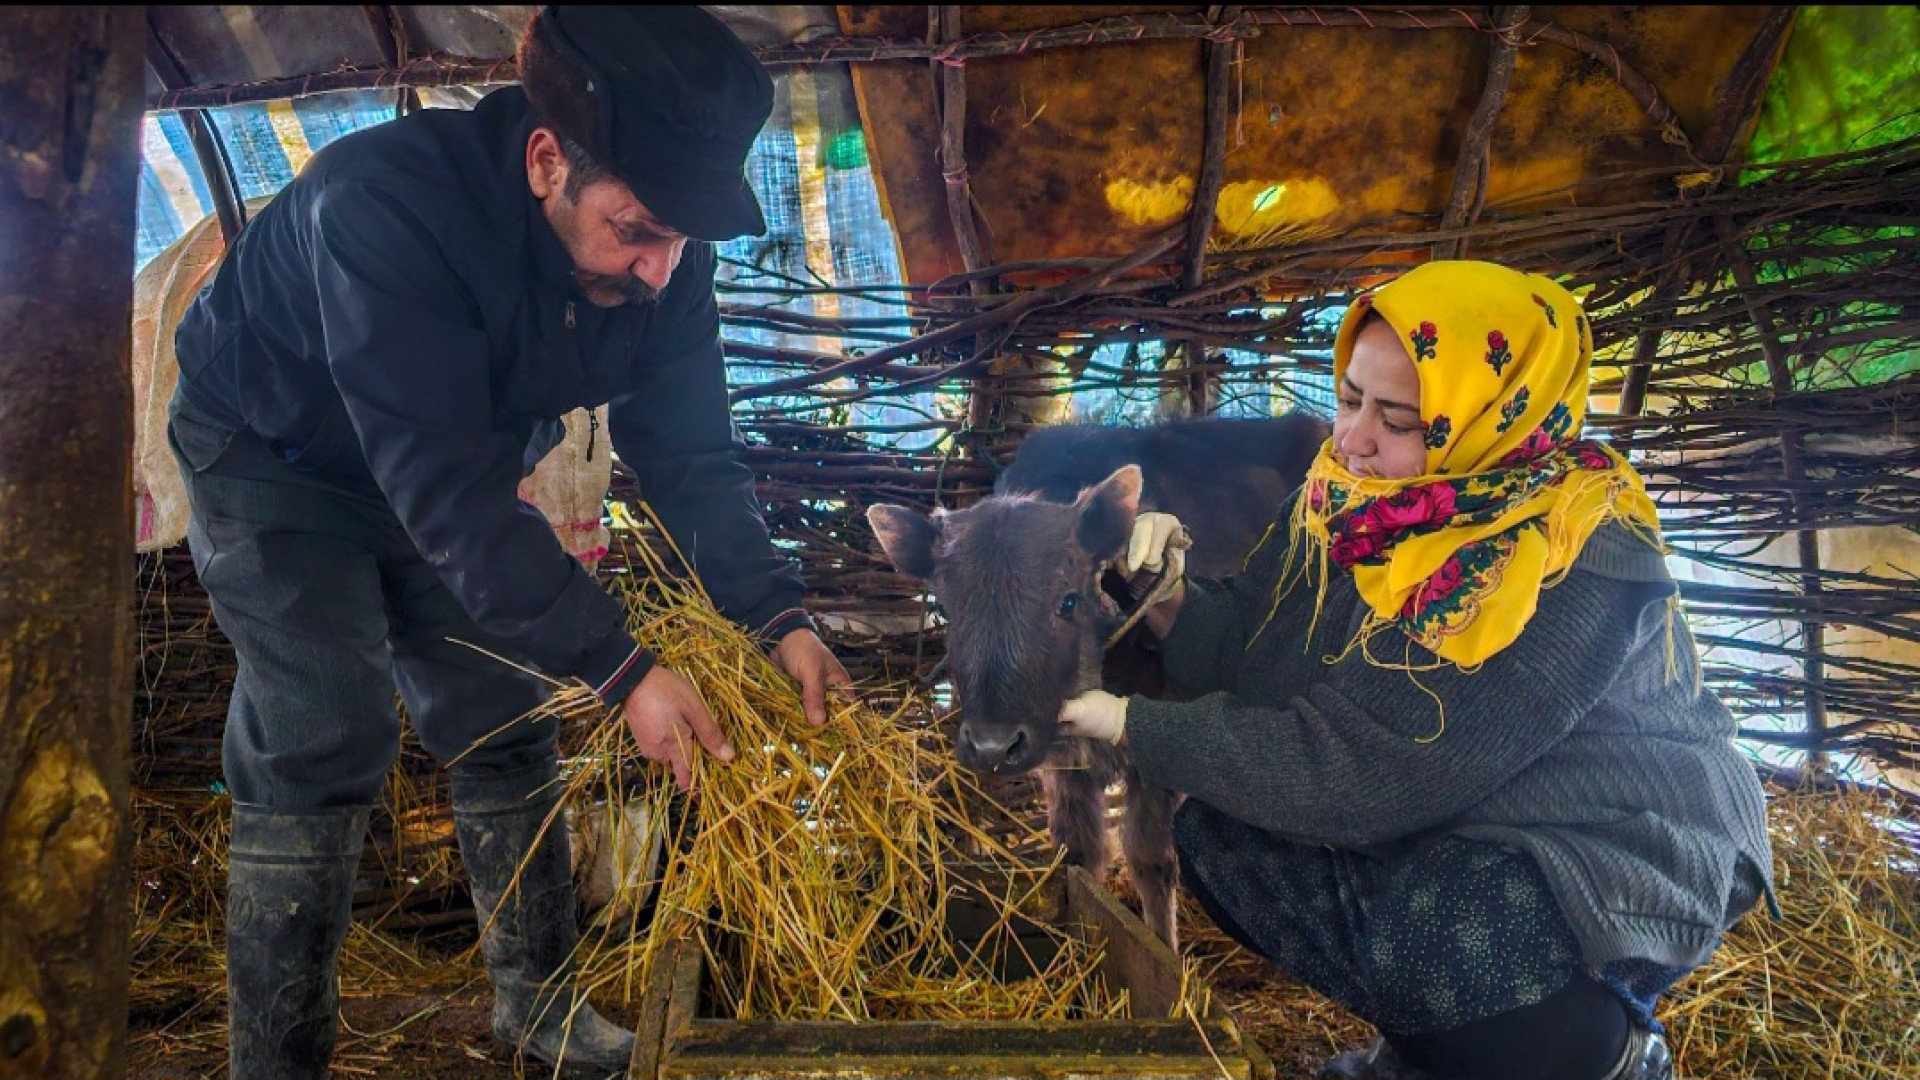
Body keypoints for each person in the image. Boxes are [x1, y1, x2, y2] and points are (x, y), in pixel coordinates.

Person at [167, 8, 850, 1078]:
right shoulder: (383, 204)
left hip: (448, 467)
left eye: (679, 240)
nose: (661, 269)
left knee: (499, 710)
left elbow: (689, 458)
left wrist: (778, 615)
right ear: (546, 162)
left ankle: (541, 1008)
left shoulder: (664, 266)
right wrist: (626, 668)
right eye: (638, 231)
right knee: (323, 726)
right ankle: (279, 1058)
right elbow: (445, 494)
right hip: (275, 454)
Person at [1059, 261, 1773, 1080]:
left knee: (1437, 934)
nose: (1354, 437)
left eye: (1397, 418)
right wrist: (1168, 595)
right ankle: (1432, 1050)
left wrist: (1131, 724)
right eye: (1351, 396)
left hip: (1609, 839)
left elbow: (1369, 770)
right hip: (1466, 811)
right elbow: (1260, 650)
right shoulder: (1355, 500)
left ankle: (1604, 1052)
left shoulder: (1565, 559)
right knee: (1221, 835)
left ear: (1491, 420)